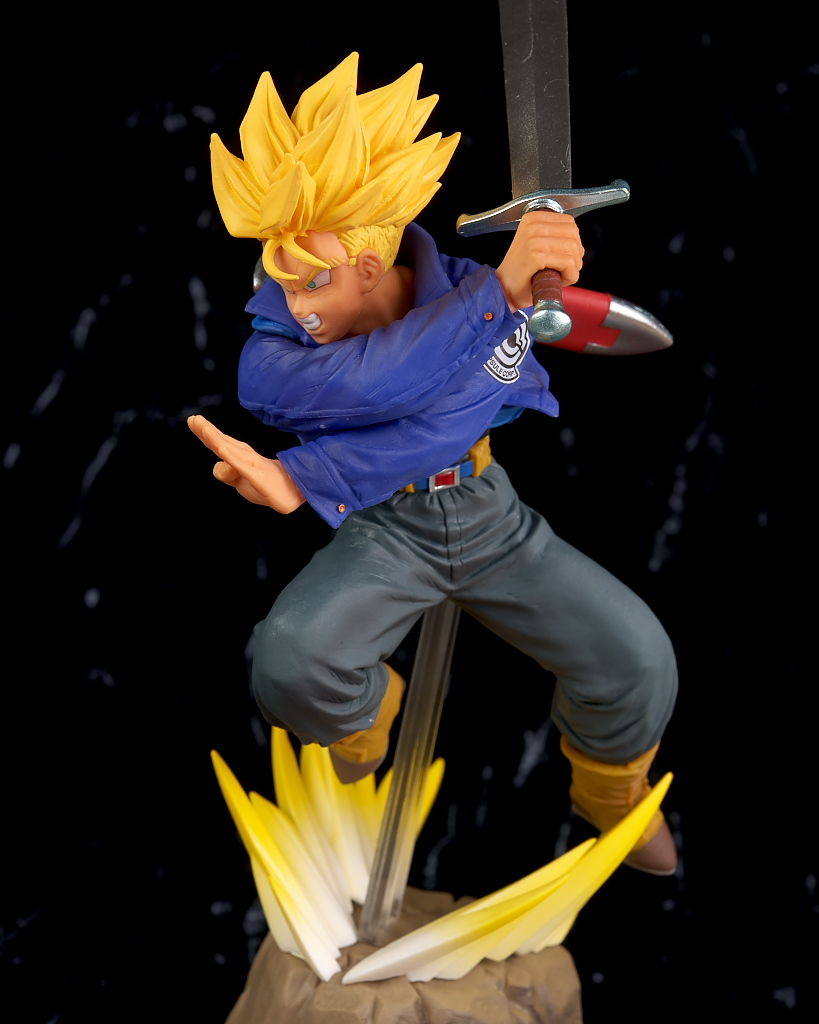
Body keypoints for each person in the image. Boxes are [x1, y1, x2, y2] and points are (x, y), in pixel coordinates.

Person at [189, 53, 678, 874]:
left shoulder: (480, 291)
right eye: (280, 277)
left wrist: (523, 292)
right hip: (385, 527)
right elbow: (369, 385)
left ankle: (609, 790)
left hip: (488, 512)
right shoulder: (286, 343)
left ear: (368, 268)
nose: (291, 305)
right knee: (292, 664)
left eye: (310, 283)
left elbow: (449, 418)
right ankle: (364, 721)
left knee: (634, 657)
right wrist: (496, 303)